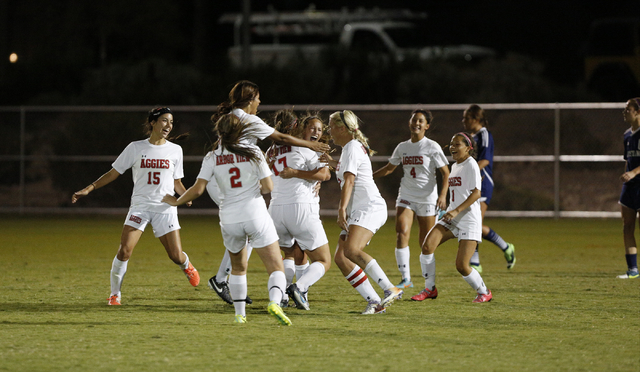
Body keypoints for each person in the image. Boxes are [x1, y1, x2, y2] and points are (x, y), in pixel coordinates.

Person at [206, 80, 330, 304]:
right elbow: (281, 138)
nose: (260, 102)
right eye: (258, 98)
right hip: (234, 179)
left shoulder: (230, 118)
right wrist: (311, 146)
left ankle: (225, 279)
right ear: (250, 99)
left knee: (248, 230)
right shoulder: (248, 119)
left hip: (223, 175)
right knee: (253, 228)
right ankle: (269, 291)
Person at [163, 113, 292, 325]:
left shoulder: (212, 156)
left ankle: (239, 315)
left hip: (229, 218)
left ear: (220, 132)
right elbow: (268, 187)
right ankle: (275, 302)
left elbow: (197, 189)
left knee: (239, 269)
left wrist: (176, 202)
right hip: (255, 214)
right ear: (241, 130)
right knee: (276, 267)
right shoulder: (253, 151)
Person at [71, 107, 200, 306]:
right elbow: (113, 173)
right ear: (153, 122)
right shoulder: (135, 147)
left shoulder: (176, 150)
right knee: (124, 251)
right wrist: (89, 188)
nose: (169, 126)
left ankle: (186, 265)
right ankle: (115, 294)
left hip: (165, 208)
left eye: (171, 122)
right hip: (140, 206)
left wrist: (184, 195)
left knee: (175, 256)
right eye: (164, 121)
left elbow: (177, 182)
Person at [322, 110, 403, 315]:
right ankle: (375, 302)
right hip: (361, 209)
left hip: (369, 207)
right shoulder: (351, 148)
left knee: (351, 250)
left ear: (342, 128)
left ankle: (390, 288)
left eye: (331, 126)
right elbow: (344, 171)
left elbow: (349, 180)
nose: (329, 131)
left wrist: (341, 210)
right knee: (342, 257)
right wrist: (329, 162)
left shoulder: (351, 147)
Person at [411, 132, 493, 303]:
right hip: (452, 218)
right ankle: (430, 289)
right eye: (451, 144)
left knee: (462, 266)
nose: (452, 147)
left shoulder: (471, 165)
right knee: (427, 247)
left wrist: (456, 211)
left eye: (457, 144)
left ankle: (484, 292)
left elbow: (476, 193)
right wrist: (448, 210)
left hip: (469, 219)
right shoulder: (455, 166)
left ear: (469, 148)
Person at [373, 109, 450, 289]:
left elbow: (446, 173)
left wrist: (443, 196)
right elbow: (389, 168)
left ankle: (428, 284)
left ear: (426, 126)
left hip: (427, 198)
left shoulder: (432, 146)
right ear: (410, 123)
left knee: (426, 243)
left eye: (421, 121)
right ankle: (406, 279)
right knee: (401, 231)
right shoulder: (402, 147)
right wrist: (369, 176)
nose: (417, 123)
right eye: (414, 120)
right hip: (406, 195)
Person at [267, 111, 332, 310]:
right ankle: (300, 287)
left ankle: (287, 297)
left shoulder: (270, 150)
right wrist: (304, 174)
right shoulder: (306, 150)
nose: (315, 132)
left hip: (275, 210)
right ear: (297, 127)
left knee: (289, 254)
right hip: (300, 207)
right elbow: (324, 174)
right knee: (323, 259)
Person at [462, 104, 516, 272]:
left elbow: (485, 160)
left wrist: (470, 172)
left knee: (475, 223)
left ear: (477, 119)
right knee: (472, 223)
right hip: (472, 183)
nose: (464, 121)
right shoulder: (471, 136)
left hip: (483, 183)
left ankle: (479, 260)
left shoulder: (484, 135)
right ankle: (504, 248)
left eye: (467, 118)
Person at [618, 97, 640, 279]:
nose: (624, 112)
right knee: (627, 226)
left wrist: (634, 173)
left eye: (627, 109)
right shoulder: (627, 135)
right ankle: (633, 270)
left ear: (638, 112)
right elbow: (628, 161)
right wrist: (627, 176)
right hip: (630, 188)